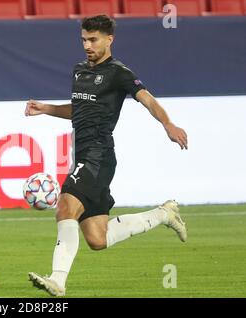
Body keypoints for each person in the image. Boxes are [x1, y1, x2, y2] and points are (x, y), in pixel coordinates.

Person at [25, 15, 188, 296]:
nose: (87, 45)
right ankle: (164, 214)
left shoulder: (119, 73)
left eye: (93, 40)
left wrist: (168, 123)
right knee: (97, 238)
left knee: (65, 205)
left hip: (99, 155)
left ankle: (58, 281)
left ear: (109, 39)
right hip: (83, 155)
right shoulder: (79, 70)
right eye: (83, 40)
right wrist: (46, 108)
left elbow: (147, 99)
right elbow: (80, 110)